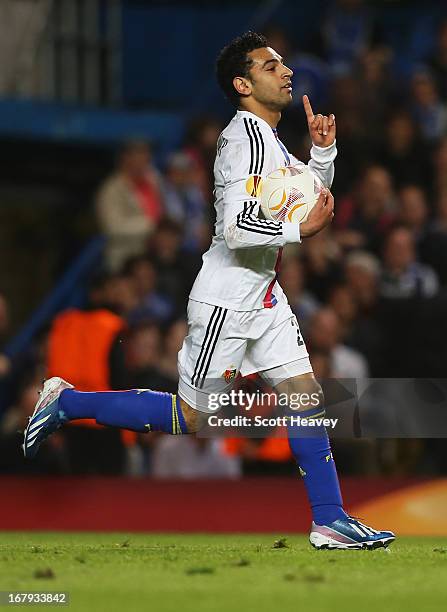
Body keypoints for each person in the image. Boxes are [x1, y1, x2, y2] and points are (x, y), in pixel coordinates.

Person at [23, 32, 394, 550]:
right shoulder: (242, 141)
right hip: (226, 299)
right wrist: (299, 233)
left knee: (305, 397)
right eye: (271, 66)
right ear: (243, 84)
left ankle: (329, 518)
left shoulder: (269, 140)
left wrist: (323, 153)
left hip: (263, 292)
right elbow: (238, 227)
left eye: (284, 64)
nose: (286, 71)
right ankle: (68, 401)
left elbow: (309, 197)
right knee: (191, 417)